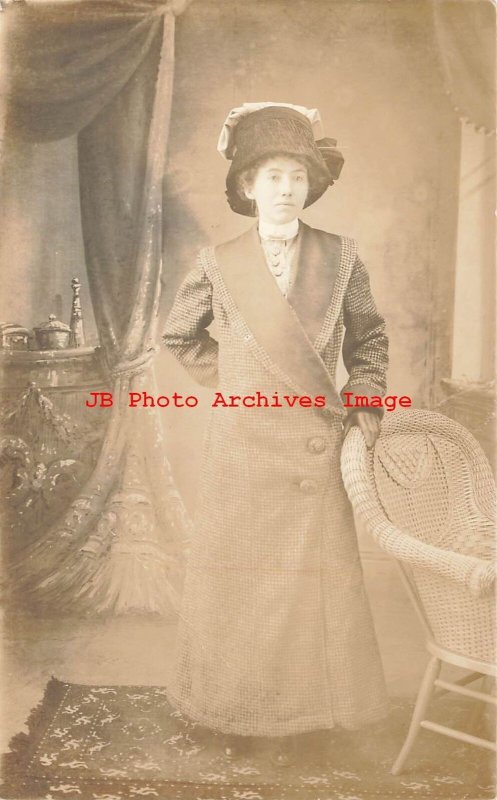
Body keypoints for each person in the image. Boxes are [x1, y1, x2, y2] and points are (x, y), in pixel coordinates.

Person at [162, 103, 390, 766]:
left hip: (313, 449)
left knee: (308, 583)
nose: (284, 187)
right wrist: (238, 383)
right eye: (269, 176)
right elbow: (179, 336)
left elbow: (370, 338)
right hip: (243, 451)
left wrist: (364, 402)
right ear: (245, 188)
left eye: (296, 174)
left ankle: (312, 717)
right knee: (241, 582)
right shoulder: (217, 260)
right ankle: (233, 712)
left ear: (311, 185)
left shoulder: (340, 256)